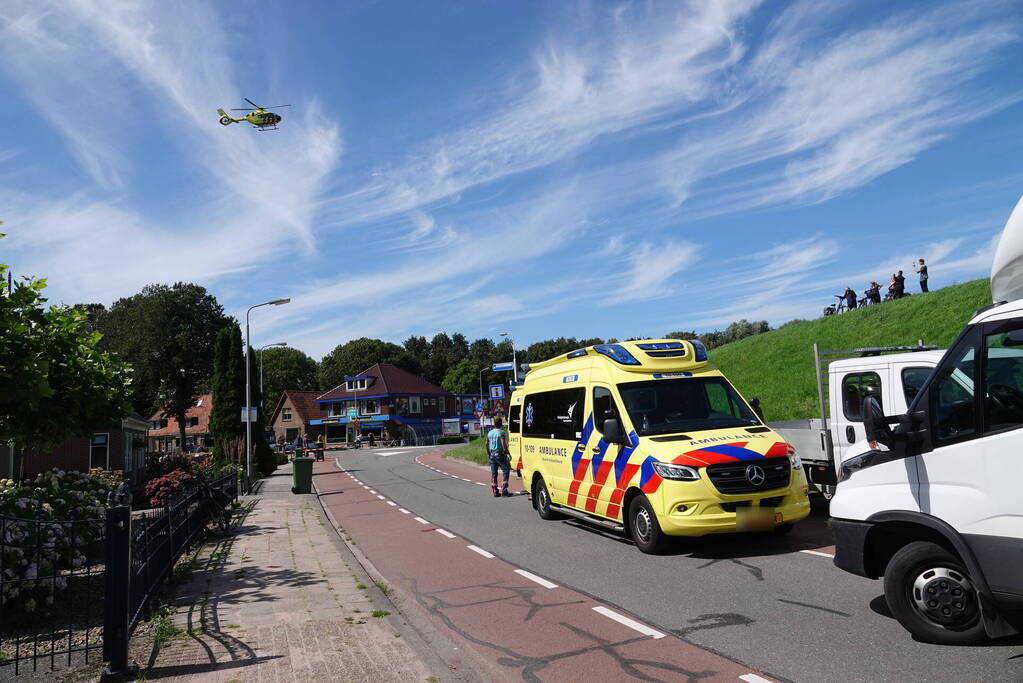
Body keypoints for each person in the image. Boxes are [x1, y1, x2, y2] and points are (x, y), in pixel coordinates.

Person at [486, 417, 511, 498]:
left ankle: (495, 491)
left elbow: (486, 444)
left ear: (494, 424)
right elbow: (503, 443)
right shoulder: (501, 432)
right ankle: (504, 490)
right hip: (499, 454)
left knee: (494, 473)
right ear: (501, 424)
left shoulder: (489, 433)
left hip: (492, 455)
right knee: (506, 470)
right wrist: (507, 453)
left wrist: (488, 453)